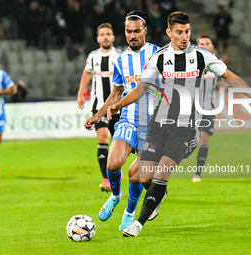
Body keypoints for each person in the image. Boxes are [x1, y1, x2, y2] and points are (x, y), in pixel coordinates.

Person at [107, 12, 251, 237]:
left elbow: (228, 75)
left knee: (163, 170)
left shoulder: (201, 55)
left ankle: (137, 224)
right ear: (169, 33)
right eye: (179, 32)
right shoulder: (158, 58)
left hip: (185, 129)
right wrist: (119, 104)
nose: (184, 36)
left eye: (187, 31)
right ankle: (158, 195)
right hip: (158, 125)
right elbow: (141, 89)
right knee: (144, 177)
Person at [84, 10, 159, 230]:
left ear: (145, 30)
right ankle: (115, 196)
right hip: (128, 118)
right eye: (129, 31)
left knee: (136, 176)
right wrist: (97, 115)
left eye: (137, 31)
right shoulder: (121, 59)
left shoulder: (157, 54)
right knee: (113, 162)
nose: (133, 35)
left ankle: (130, 211)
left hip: (153, 123)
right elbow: (116, 92)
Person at [77, 23, 121, 192]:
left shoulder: (119, 56)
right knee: (102, 137)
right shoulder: (93, 56)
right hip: (98, 107)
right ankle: (106, 179)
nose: (105, 37)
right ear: (97, 38)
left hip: (117, 107)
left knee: (118, 142)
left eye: (107, 34)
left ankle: (115, 169)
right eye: (102, 34)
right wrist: (81, 92)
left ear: (113, 37)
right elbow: (87, 73)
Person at [192, 35, 219, 183]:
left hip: (208, 109)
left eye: (207, 43)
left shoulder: (217, 65)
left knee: (203, 138)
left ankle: (198, 173)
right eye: (201, 44)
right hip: (191, 109)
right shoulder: (191, 64)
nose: (204, 46)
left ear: (212, 46)